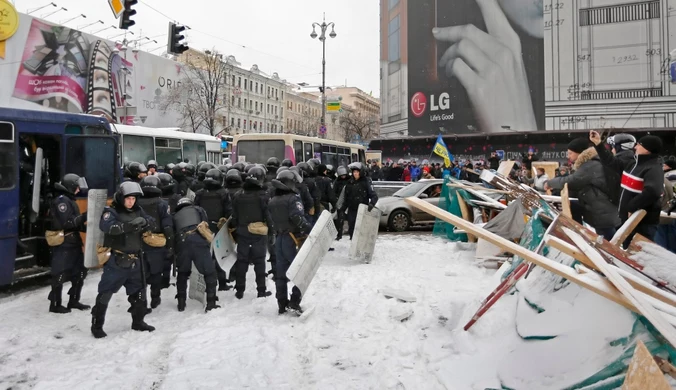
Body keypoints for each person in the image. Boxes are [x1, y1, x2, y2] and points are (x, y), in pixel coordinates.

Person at [91, 182, 156, 338]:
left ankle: (138, 322)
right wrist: (128, 226)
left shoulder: (138, 210)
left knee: (140, 293)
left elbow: (152, 222)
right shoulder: (110, 211)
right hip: (117, 261)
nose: (131, 202)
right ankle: (97, 325)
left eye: (133, 199)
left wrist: (145, 222)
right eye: (128, 199)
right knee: (105, 293)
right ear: (121, 197)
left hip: (136, 259)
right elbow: (108, 227)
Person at [590, 131, 664, 244]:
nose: (635, 147)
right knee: (626, 255)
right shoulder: (633, 164)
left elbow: (653, 191)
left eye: (639, 144)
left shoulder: (653, 168)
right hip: (627, 220)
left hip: (642, 223)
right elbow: (610, 162)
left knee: (641, 257)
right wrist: (598, 144)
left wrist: (631, 207)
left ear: (647, 149)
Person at [544, 138, 620, 240]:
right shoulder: (591, 163)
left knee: (608, 242)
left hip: (602, 210)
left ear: (580, 153)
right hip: (601, 207)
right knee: (607, 239)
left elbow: (572, 181)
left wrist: (550, 183)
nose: (568, 156)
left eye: (570, 153)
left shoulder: (589, 166)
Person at [268, 170, 312, 315]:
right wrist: (310, 229)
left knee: (281, 274)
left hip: (279, 239)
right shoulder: (293, 199)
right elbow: (297, 218)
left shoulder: (273, 200)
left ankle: (281, 303)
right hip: (292, 239)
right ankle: (294, 301)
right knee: (302, 270)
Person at [227, 166, 272, 299]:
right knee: (259, 262)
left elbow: (233, 217)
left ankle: (239, 290)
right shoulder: (263, 196)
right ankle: (261, 290)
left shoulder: (238, 195)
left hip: (242, 232)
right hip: (259, 232)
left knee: (242, 261)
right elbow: (268, 216)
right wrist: (272, 231)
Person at [48, 174, 90, 314]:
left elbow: (74, 223)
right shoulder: (62, 201)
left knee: (80, 272)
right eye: (77, 186)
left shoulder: (69, 200)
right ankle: (55, 304)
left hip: (73, 242)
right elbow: (67, 223)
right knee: (59, 273)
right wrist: (84, 217)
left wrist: (88, 226)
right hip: (64, 243)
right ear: (71, 186)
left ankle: (74, 300)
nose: (78, 189)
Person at [173, 198, 221, 312]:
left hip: (182, 243)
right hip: (198, 242)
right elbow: (205, 224)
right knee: (209, 273)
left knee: (183, 273)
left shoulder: (174, 216)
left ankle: (181, 302)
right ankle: (211, 302)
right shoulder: (198, 209)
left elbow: (172, 232)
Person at [137, 176, 174, 308]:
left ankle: (141, 301)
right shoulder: (162, 204)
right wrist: (170, 245)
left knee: (141, 273)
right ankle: (155, 297)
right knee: (156, 272)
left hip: (139, 241)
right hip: (156, 242)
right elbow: (167, 226)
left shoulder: (136, 203)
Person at [194, 168, 233, 291]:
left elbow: (195, 209)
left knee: (205, 256)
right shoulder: (223, 193)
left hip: (203, 228)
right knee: (219, 255)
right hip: (218, 228)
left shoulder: (200, 193)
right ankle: (221, 283)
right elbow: (228, 211)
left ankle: (207, 283)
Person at [341, 162, 378, 240]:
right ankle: (352, 241)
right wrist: (342, 209)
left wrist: (371, 204)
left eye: (357, 172)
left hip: (362, 209)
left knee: (361, 228)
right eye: (354, 172)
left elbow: (374, 195)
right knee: (351, 226)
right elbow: (346, 198)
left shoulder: (365, 182)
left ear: (360, 173)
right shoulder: (350, 183)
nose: (355, 174)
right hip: (352, 209)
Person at [334, 166, 350, 240]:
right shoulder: (337, 182)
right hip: (341, 202)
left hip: (348, 201)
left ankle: (351, 233)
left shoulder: (349, 180)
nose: (343, 176)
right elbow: (334, 191)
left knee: (350, 219)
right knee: (340, 220)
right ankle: (339, 234)